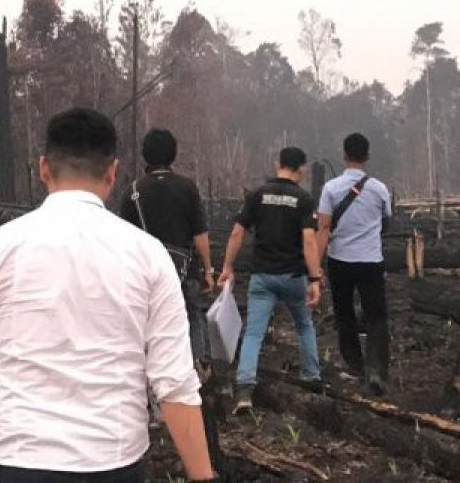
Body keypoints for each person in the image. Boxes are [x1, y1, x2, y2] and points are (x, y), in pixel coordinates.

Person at [0, 108, 215, 483]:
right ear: (113, 174)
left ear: (43, 169)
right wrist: (204, 476)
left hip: (20, 463)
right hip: (115, 463)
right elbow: (175, 384)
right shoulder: (148, 255)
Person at [219, 147, 323, 413]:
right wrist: (315, 278)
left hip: (262, 277)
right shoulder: (303, 199)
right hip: (293, 276)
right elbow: (309, 240)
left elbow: (237, 233)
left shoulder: (257, 195)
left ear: (277, 164)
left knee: (253, 333)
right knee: (304, 326)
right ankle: (312, 378)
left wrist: (228, 266)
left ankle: (244, 390)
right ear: (301, 168)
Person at [118, 128, 214, 370]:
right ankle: (196, 370)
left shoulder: (132, 193)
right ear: (173, 154)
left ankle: (148, 371)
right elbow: (200, 236)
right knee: (191, 315)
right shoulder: (188, 188)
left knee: (146, 321)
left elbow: (124, 241)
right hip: (183, 270)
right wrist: (209, 270)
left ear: (145, 155)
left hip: (144, 273)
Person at [317, 132, 392, 395]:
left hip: (339, 260)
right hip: (371, 260)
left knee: (344, 313)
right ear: (367, 156)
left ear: (344, 155)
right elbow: (385, 222)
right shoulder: (380, 189)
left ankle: (355, 364)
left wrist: (316, 266)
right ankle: (377, 370)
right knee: (376, 315)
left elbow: (323, 227)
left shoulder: (330, 189)